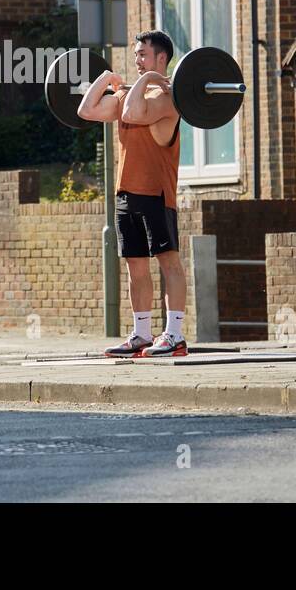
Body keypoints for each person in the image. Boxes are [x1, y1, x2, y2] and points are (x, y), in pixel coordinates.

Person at [76, 30, 187, 357]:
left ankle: (175, 335)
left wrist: (152, 78)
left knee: (169, 264)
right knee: (135, 267)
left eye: (143, 55)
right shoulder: (129, 94)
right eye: (137, 55)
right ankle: (141, 334)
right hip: (126, 195)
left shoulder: (168, 99)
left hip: (156, 193)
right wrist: (107, 77)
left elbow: (133, 114)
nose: (137, 60)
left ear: (161, 59)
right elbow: (87, 110)